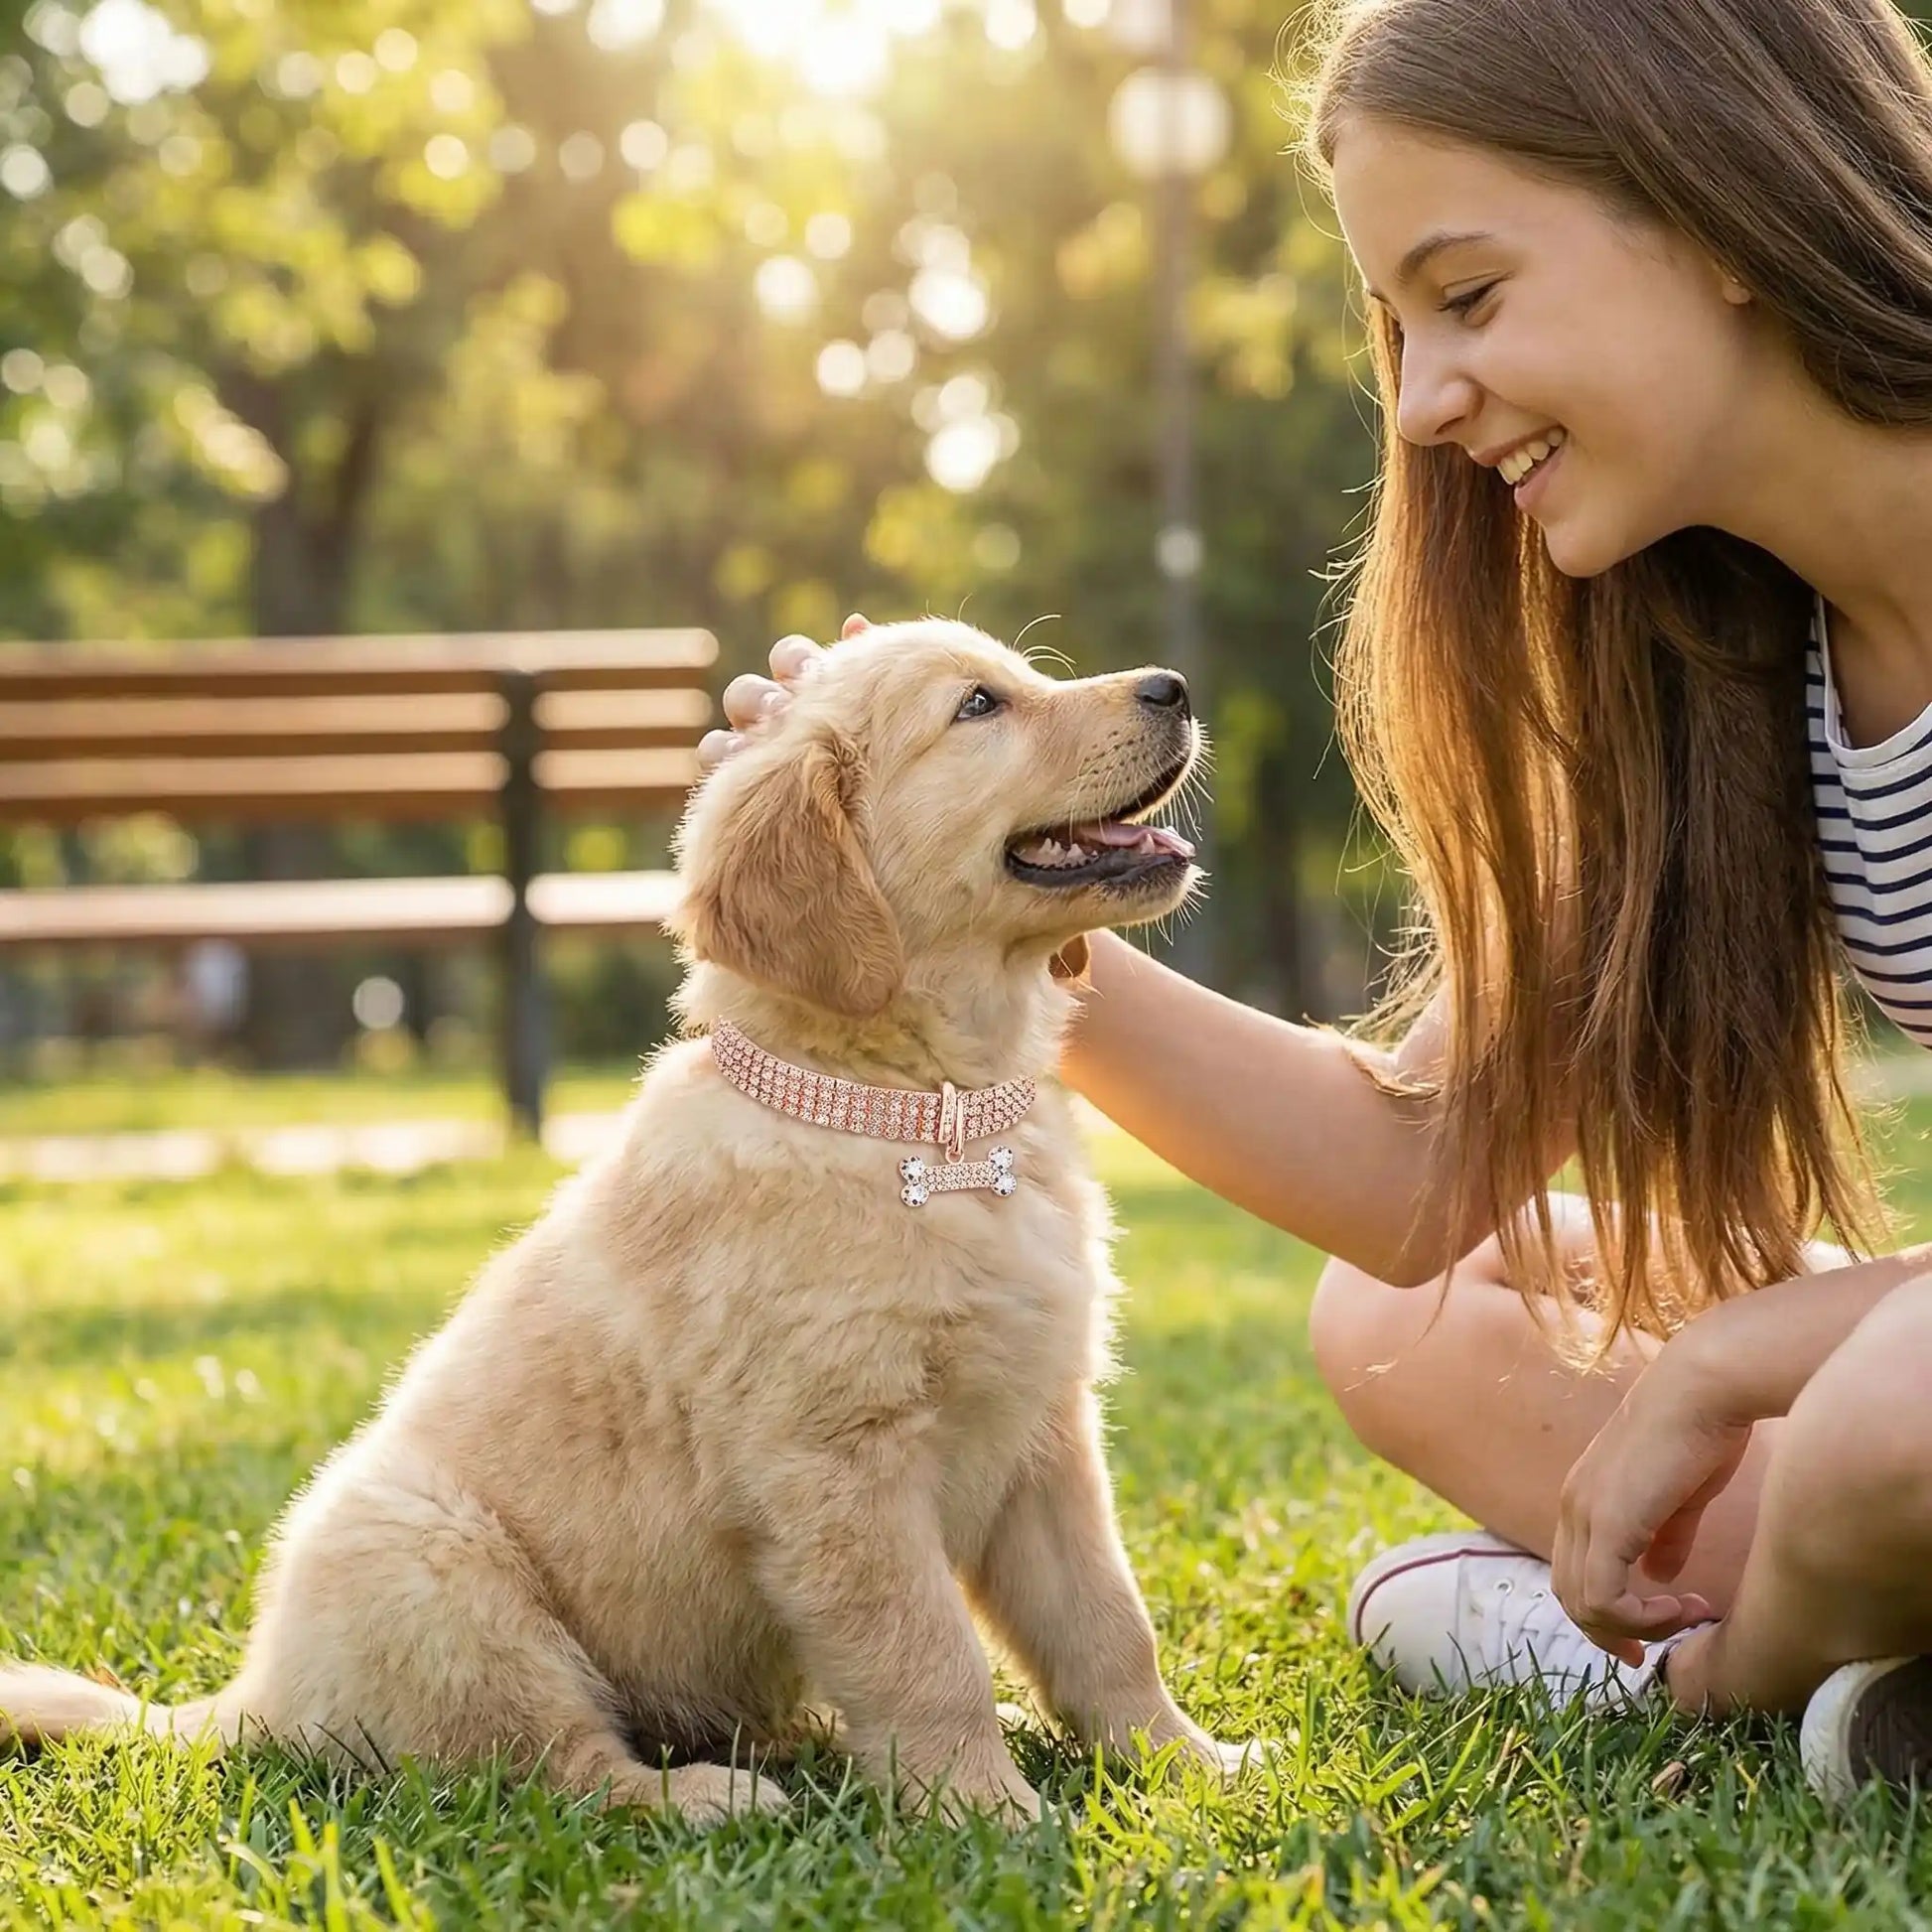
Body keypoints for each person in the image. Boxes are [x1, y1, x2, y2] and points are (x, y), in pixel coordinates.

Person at [699, 0, 1932, 1804]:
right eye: (1400, 329)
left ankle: (1718, 1679)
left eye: (1471, 296)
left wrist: (1752, 1350)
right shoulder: (1726, 658)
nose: (1425, 405)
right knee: (1415, 1319)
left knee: (1878, 1423)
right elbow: (1420, 1174)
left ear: (1717, 208)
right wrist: (955, 895)